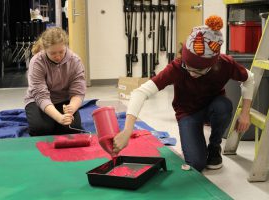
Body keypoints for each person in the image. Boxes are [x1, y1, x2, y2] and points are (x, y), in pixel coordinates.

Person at [113, 15, 255, 172]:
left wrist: (245, 113)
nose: (192, 73)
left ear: (213, 65)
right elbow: (139, 93)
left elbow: (250, 79)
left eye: (199, 70)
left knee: (224, 106)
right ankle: (196, 142)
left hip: (213, 106)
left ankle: (214, 146)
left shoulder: (225, 64)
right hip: (188, 113)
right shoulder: (176, 68)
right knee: (196, 164)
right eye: (189, 67)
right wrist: (127, 130)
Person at [24, 27, 86, 136]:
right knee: (41, 129)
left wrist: (72, 107)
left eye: (61, 52)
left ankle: (56, 122)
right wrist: (59, 118)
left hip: (64, 100)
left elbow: (78, 91)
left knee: (72, 129)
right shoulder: (37, 62)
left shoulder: (75, 61)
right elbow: (41, 95)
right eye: (52, 53)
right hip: (38, 101)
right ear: (45, 49)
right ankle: (51, 121)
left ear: (66, 46)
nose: (58, 56)